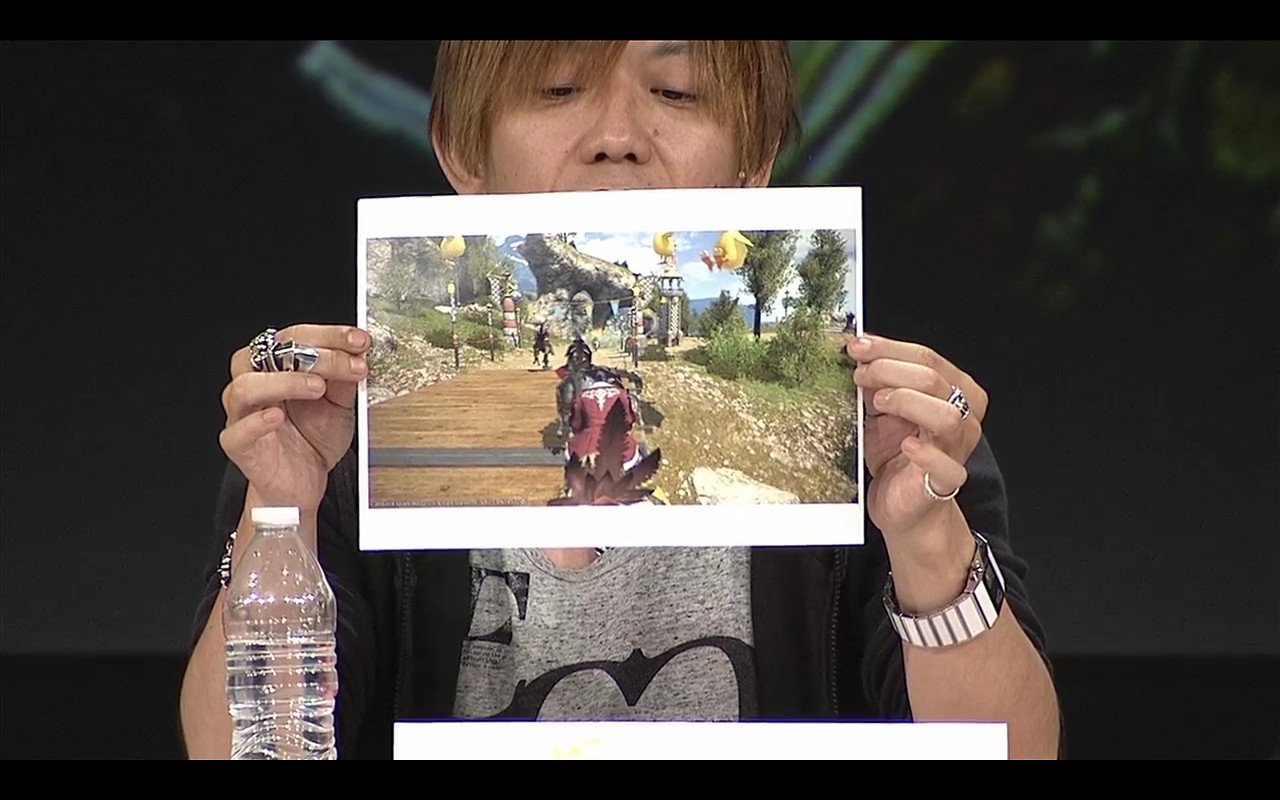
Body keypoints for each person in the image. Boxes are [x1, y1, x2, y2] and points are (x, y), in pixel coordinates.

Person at [181, 40, 1063, 759]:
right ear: (461, 151)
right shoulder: (336, 433)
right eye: (558, 87)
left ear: (755, 162)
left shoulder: (884, 432)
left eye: (676, 93)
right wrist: (281, 513)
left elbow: (1013, 751)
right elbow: (238, 753)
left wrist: (924, 533)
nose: (617, 136)